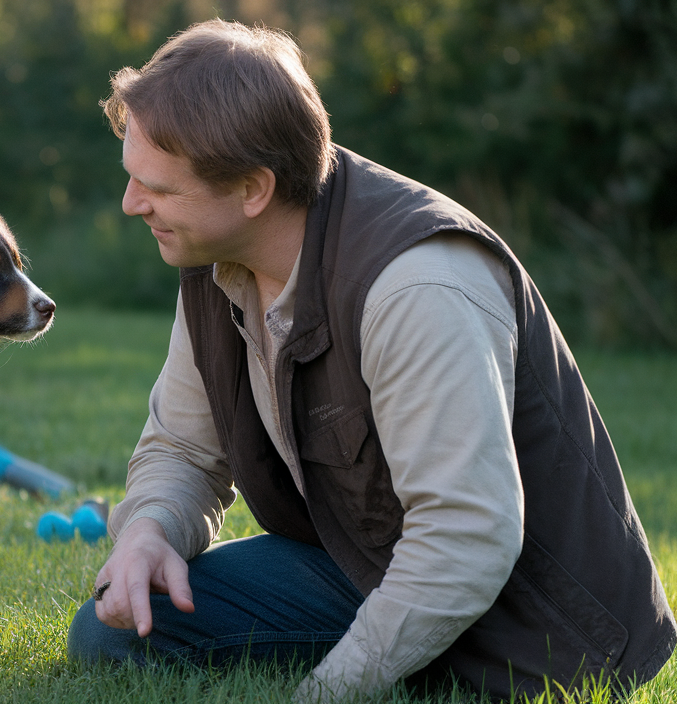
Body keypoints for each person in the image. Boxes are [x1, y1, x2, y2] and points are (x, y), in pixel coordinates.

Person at [65, 19, 675, 703]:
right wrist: (147, 532)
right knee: (114, 631)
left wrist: (330, 691)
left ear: (253, 189)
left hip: (536, 628)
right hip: (362, 565)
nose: (130, 204)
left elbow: (465, 538)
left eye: (160, 189)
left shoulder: (418, 285)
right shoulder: (217, 257)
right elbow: (182, 447)